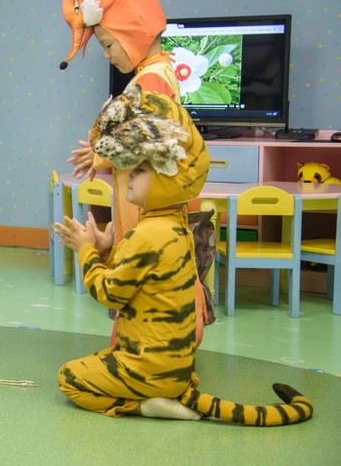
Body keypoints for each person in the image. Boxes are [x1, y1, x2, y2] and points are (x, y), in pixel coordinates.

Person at [53, 86, 312, 426]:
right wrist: (105, 251)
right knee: (102, 358)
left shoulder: (147, 233)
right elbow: (141, 285)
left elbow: (109, 294)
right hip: (176, 368)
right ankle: (166, 391)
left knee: (68, 378)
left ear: (166, 180)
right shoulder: (176, 226)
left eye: (141, 170)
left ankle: (147, 404)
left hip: (151, 370)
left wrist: (86, 250)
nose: (128, 177)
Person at [59, 0, 179, 243]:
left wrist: (100, 156)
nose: (107, 55)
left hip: (147, 205)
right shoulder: (156, 73)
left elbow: (140, 143)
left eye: (108, 45)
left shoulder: (152, 80)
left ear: (132, 29)